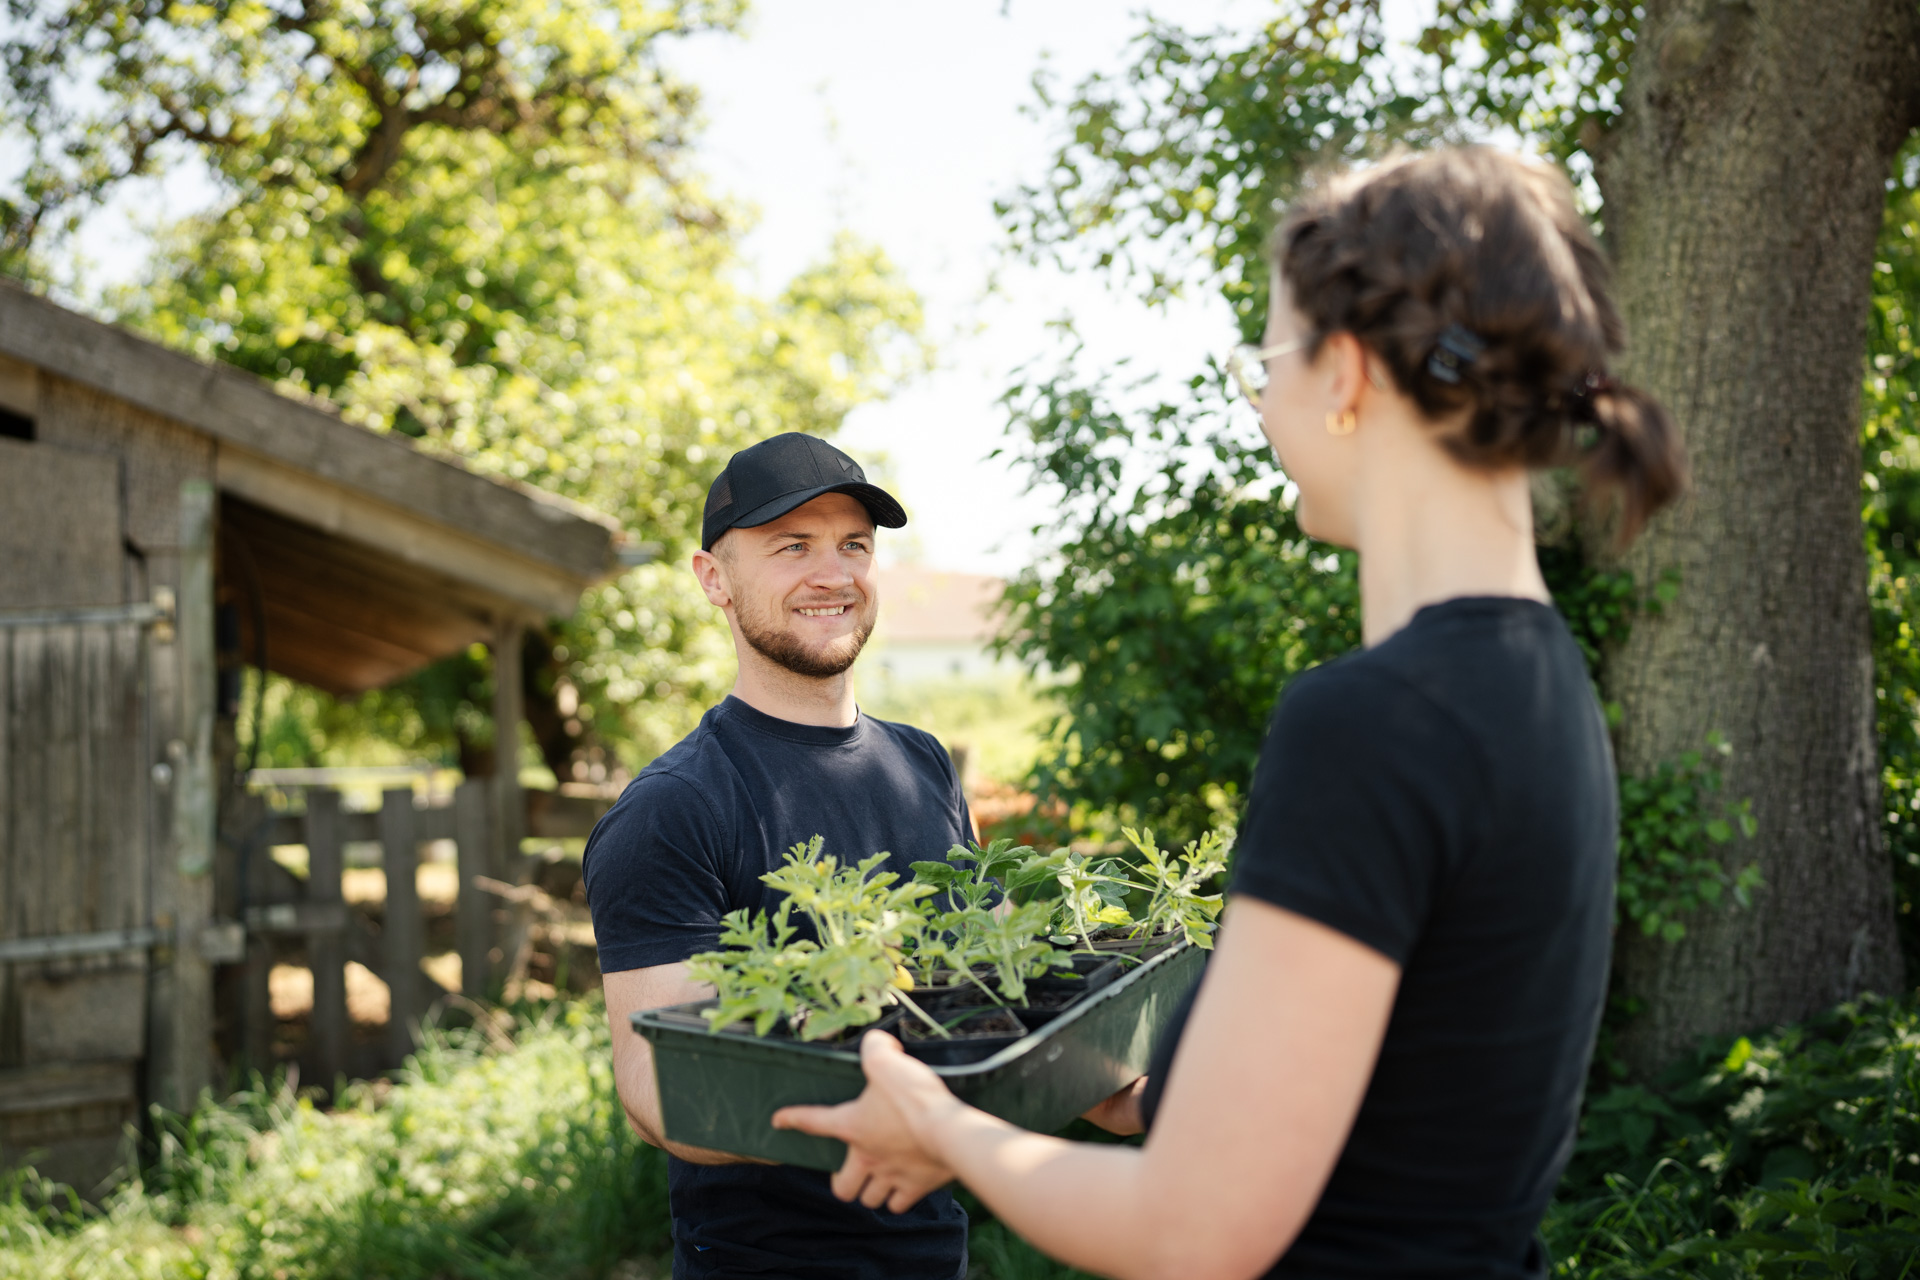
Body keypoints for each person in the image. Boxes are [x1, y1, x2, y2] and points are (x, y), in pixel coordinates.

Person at [772, 146, 1688, 1279]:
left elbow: (1193, 1230)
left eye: (1270, 360)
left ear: (1345, 372)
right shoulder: (1542, 674)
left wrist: (945, 1123)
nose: (1260, 400)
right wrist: (1165, 1102)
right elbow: (1416, 1118)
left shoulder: (1374, 718)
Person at [583, 431, 975, 1280]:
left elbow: (985, 987)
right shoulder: (673, 808)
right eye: (792, 546)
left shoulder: (924, 765)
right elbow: (658, 1095)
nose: (832, 574)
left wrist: (1113, 1080)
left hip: (933, 1255)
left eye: (853, 546)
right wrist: (868, 1116)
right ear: (713, 580)